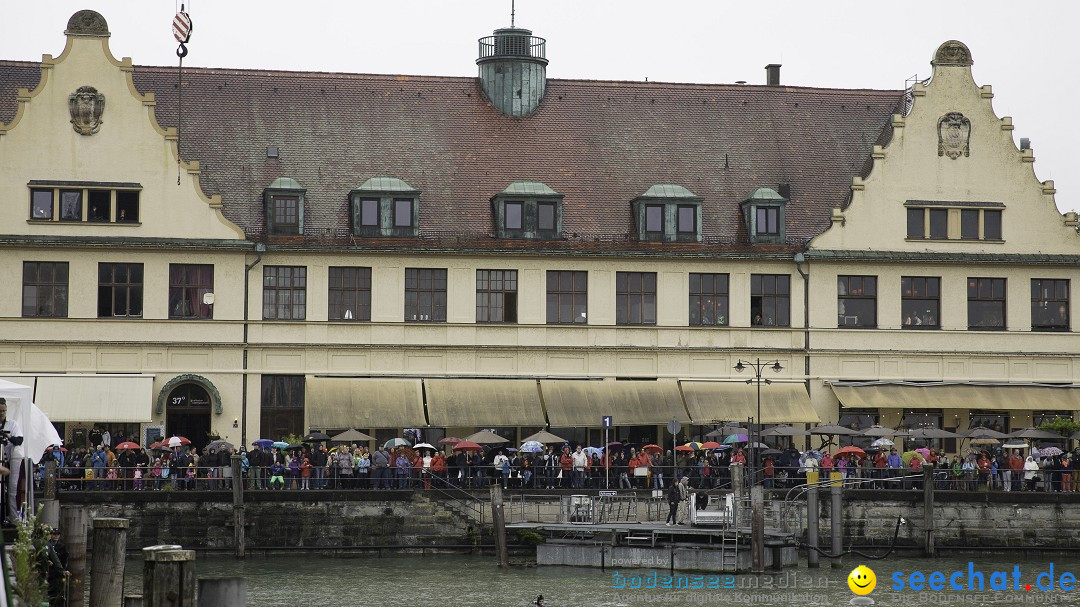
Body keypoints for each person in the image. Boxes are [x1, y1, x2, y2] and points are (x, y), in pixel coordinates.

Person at [45, 527, 68, 607]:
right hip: (48, 572)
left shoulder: (62, 546)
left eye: (57, 534)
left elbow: (64, 560)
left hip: (57, 573)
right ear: (51, 535)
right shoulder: (46, 544)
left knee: (58, 592)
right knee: (48, 591)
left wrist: (64, 570)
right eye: (54, 534)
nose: (56, 536)